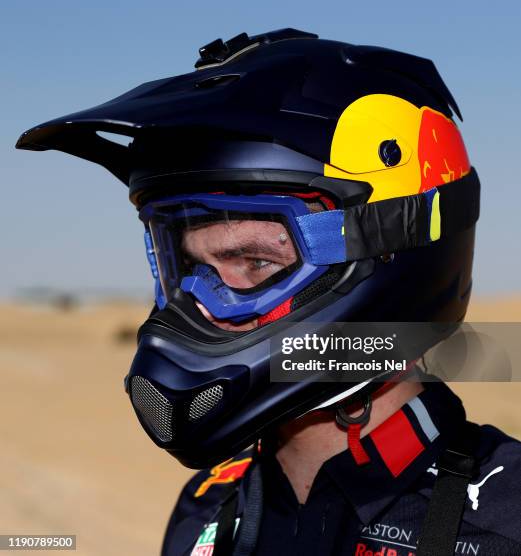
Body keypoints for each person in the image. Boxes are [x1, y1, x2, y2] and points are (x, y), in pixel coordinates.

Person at [17, 29, 521, 555]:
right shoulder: (207, 507)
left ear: (392, 251)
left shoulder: (506, 519)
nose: (202, 305)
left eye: (255, 261)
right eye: (189, 264)